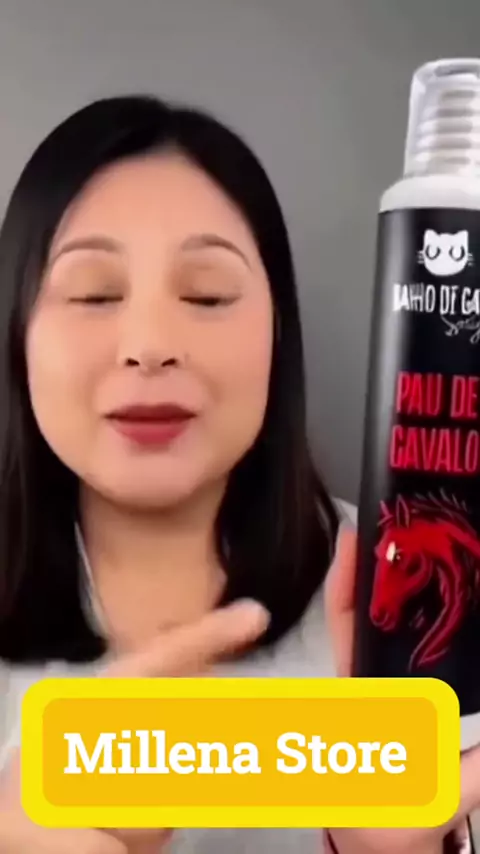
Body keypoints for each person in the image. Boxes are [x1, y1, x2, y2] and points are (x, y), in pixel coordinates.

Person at [0, 95, 477, 854]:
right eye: (93, 293)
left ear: (278, 331)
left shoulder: (420, 605)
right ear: (16, 335)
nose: (149, 345)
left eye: (207, 295)